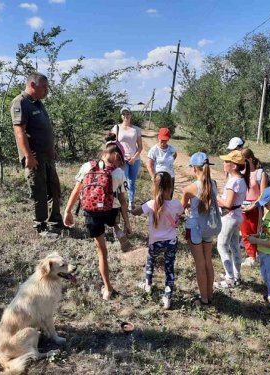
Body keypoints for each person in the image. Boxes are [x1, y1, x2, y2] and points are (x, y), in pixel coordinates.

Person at [63, 140, 132, 300]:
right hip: (110, 210)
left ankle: (107, 289)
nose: (120, 162)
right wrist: (128, 223)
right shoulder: (119, 173)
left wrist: (68, 211)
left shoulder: (87, 167)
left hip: (91, 213)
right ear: (115, 155)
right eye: (120, 159)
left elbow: (76, 191)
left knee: (102, 252)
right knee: (114, 210)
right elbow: (122, 200)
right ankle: (117, 227)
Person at [11, 72, 65, 237]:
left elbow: (44, 130)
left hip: (47, 156)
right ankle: (40, 226)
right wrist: (28, 156)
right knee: (39, 191)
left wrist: (52, 149)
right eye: (44, 87)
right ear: (32, 85)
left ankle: (55, 222)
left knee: (54, 189)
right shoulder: (20, 103)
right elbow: (19, 132)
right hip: (35, 157)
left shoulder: (38, 103)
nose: (47, 90)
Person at [131, 171, 184, 309]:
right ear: (171, 187)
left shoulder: (150, 204)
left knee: (150, 261)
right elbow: (180, 215)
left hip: (155, 242)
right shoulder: (177, 204)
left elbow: (135, 212)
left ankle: (147, 284)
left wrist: (129, 209)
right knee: (169, 268)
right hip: (171, 242)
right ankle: (167, 296)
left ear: (154, 187)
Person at [181, 152, 217, 306]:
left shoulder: (190, 188)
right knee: (208, 261)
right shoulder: (213, 184)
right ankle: (209, 295)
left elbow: (182, 208)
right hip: (208, 227)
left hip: (194, 227)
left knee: (199, 264)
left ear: (194, 168)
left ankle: (203, 299)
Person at [214, 150, 248, 288]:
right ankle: (236, 275)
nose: (224, 163)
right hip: (237, 216)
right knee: (234, 246)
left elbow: (228, 204)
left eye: (227, 161)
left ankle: (229, 279)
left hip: (229, 217)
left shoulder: (233, 182)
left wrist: (215, 195)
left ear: (233, 166)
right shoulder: (241, 179)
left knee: (221, 246)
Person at [111, 107, 143, 209]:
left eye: (127, 113)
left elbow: (140, 146)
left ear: (131, 115)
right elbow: (112, 144)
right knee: (121, 181)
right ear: (121, 116)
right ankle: (120, 202)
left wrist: (134, 158)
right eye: (123, 114)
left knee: (132, 181)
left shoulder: (136, 129)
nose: (126, 116)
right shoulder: (116, 128)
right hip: (121, 160)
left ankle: (131, 202)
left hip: (134, 159)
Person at [240, 148, 267, 267]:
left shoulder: (260, 173)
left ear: (249, 159)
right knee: (245, 232)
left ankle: (259, 255)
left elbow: (263, 194)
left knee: (256, 232)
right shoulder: (241, 174)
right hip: (243, 205)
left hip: (255, 207)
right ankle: (251, 256)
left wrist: (253, 206)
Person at [146, 128, 177, 194]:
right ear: (158, 137)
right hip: (159, 178)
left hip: (170, 177)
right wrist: (153, 177)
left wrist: (168, 164)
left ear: (168, 139)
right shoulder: (153, 150)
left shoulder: (172, 149)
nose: (163, 142)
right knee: (159, 198)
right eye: (161, 140)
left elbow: (175, 155)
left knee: (169, 198)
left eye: (165, 140)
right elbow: (149, 166)